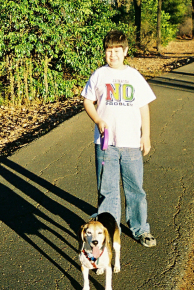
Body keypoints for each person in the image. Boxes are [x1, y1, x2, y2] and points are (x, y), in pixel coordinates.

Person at [81, 30, 157, 247]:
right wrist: (97, 120)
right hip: (106, 145)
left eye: (116, 50)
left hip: (131, 143)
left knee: (135, 188)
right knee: (107, 190)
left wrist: (146, 135)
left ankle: (141, 229)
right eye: (108, 50)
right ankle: (108, 231)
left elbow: (144, 107)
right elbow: (88, 101)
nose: (112, 55)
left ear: (125, 51)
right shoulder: (99, 75)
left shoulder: (134, 76)